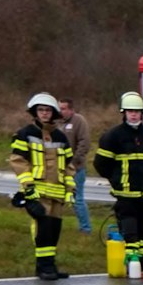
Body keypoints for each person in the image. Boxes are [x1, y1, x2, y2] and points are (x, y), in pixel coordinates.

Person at [93, 91, 143, 274]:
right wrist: (117, 181)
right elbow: (101, 164)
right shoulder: (113, 136)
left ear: (142, 113)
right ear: (123, 113)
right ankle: (131, 260)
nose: (134, 114)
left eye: (137, 111)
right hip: (126, 193)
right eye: (130, 111)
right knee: (130, 227)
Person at [7, 92, 74, 280]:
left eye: (47, 110)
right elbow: (18, 161)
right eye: (40, 110)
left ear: (54, 113)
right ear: (35, 112)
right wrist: (28, 188)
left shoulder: (61, 137)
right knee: (43, 229)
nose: (44, 113)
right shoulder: (25, 134)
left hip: (57, 194)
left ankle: (49, 265)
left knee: (54, 230)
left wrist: (70, 190)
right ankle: (44, 267)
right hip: (37, 192)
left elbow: (69, 166)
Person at [59, 95, 93, 233]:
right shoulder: (56, 122)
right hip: (58, 169)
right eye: (59, 108)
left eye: (63, 109)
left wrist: (73, 162)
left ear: (71, 110)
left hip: (76, 169)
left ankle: (85, 229)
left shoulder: (79, 121)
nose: (61, 111)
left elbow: (84, 143)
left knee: (77, 199)